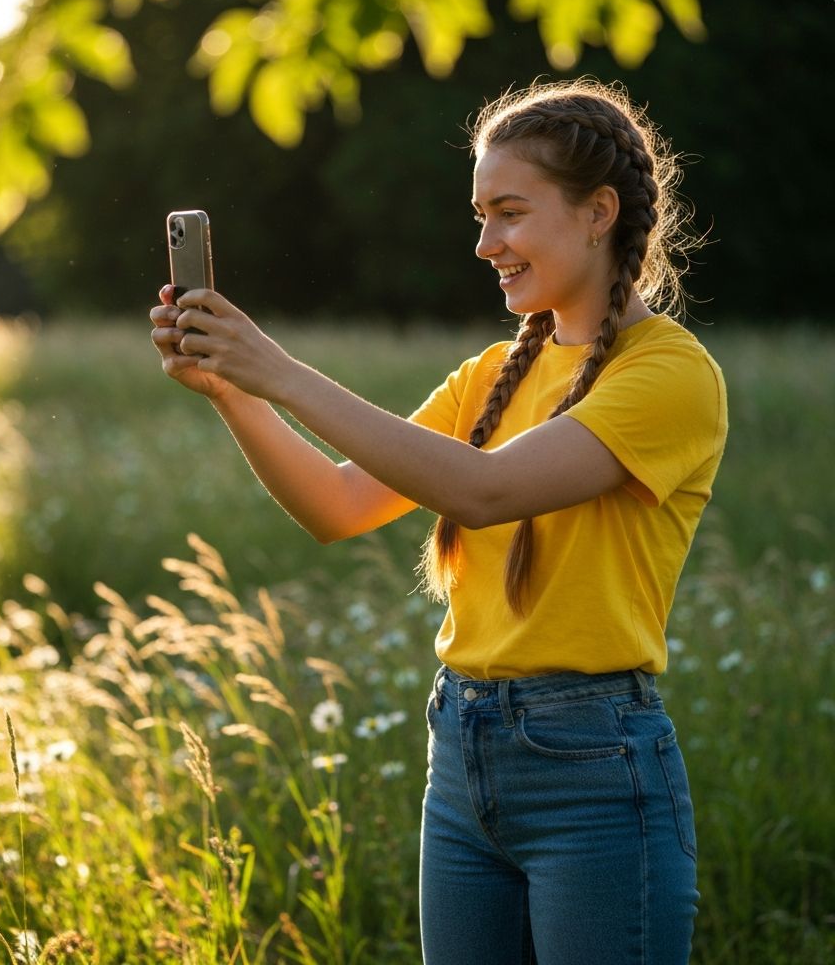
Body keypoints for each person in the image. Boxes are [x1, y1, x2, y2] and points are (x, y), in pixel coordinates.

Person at [149, 77, 727, 965]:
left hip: (594, 769)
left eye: (509, 213)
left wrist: (281, 371)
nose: (485, 243)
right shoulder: (490, 375)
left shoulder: (671, 375)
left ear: (598, 211)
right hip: (460, 757)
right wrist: (234, 392)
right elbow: (338, 507)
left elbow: (484, 490)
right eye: (479, 215)